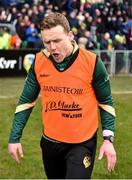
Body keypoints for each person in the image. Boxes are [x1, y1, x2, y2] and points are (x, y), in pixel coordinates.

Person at [8, 12, 117, 179]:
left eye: (57, 41)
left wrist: (108, 139)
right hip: (50, 143)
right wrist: (14, 138)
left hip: (82, 144)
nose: (52, 48)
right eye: (47, 42)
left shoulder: (92, 63)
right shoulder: (38, 62)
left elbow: (106, 102)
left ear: (70, 35)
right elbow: (26, 101)